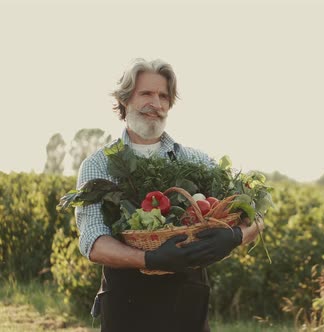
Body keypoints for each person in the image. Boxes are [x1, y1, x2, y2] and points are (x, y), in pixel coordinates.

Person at [75, 58, 263, 332]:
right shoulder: (98, 164)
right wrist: (149, 259)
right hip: (127, 305)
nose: (157, 103)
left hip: (187, 302)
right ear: (125, 100)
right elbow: (93, 241)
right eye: (147, 94)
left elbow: (256, 217)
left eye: (164, 96)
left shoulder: (196, 161)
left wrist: (234, 236)